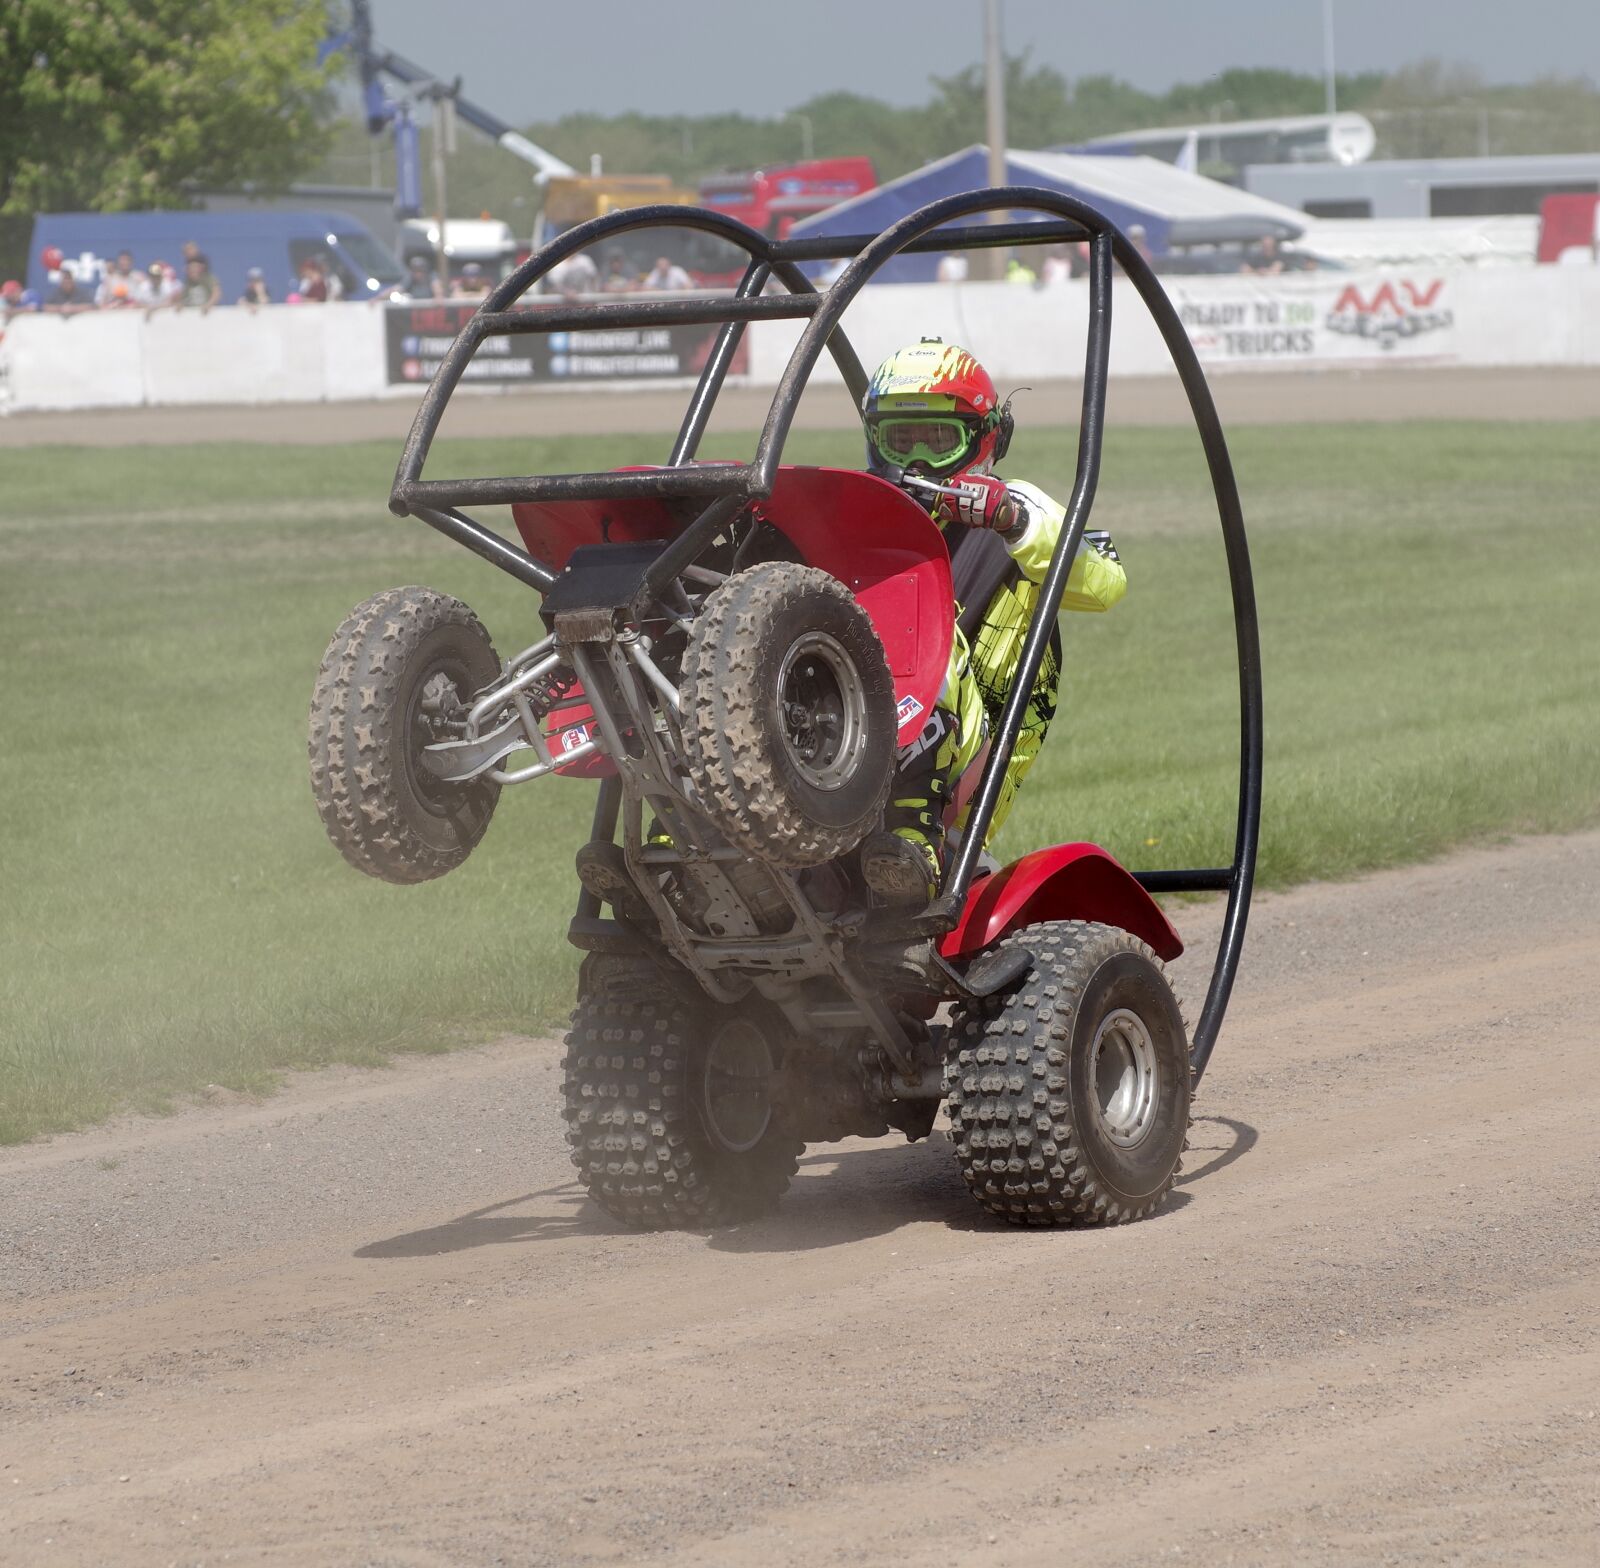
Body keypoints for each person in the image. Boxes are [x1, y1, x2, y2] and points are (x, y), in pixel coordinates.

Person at [854, 338, 1126, 905]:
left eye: (939, 440)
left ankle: (914, 826)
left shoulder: (1019, 509)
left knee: (920, 623)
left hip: (969, 757)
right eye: (901, 442)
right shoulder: (855, 519)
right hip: (851, 740)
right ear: (875, 443)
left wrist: (1008, 518)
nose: (919, 463)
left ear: (985, 442)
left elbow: (1106, 584)